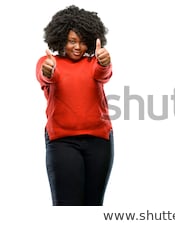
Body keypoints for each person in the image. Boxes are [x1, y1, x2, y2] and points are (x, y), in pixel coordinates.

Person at [36, 5, 114, 206]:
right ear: (61, 40)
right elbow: (47, 76)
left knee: (93, 205)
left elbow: (102, 73)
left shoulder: (93, 64)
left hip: (100, 141)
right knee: (66, 206)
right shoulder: (48, 61)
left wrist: (104, 62)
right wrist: (48, 70)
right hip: (62, 142)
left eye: (82, 42)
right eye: (72, 42)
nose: (77, 47)